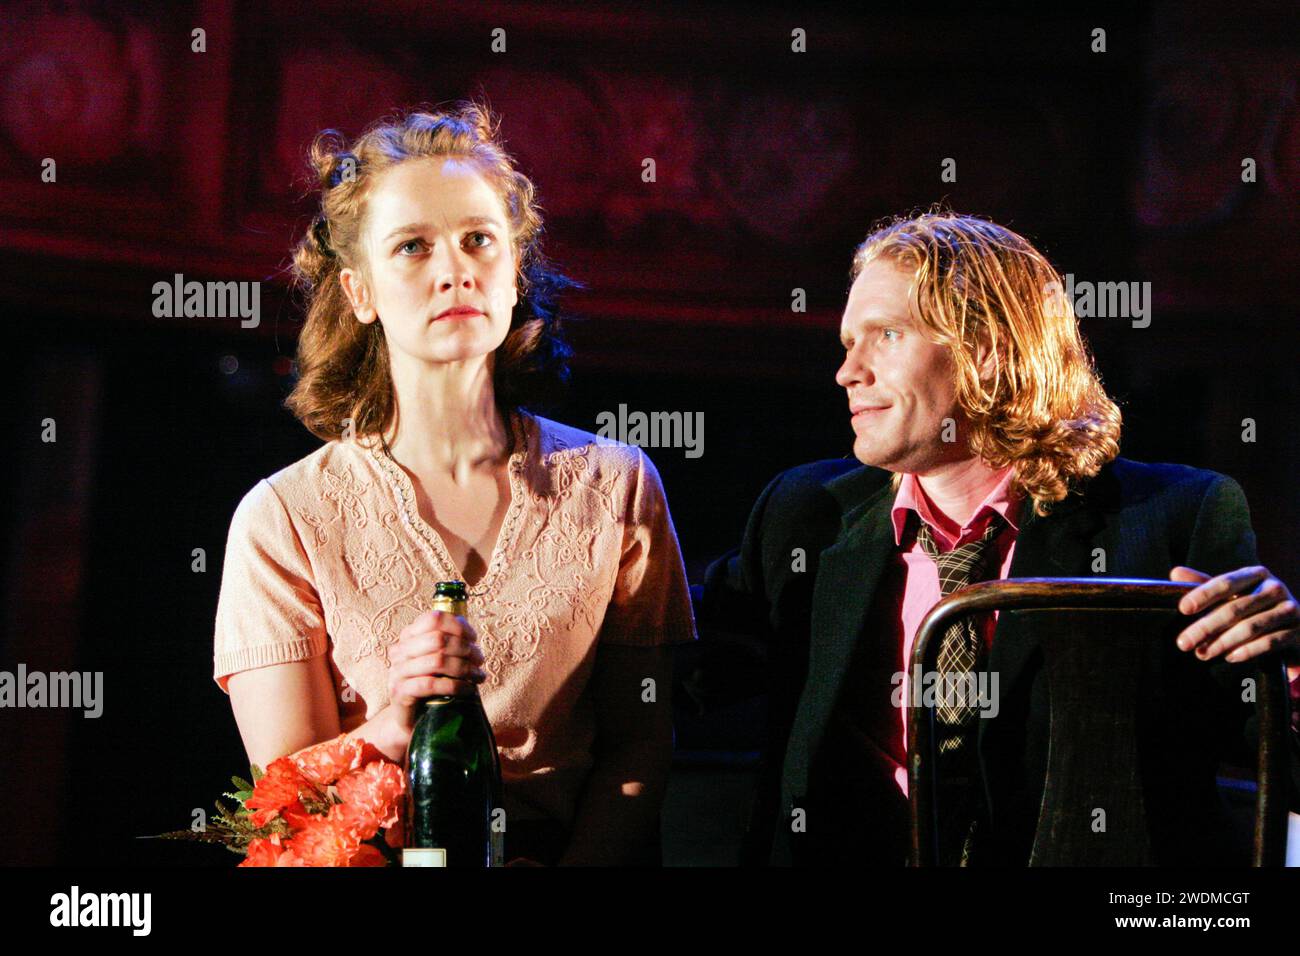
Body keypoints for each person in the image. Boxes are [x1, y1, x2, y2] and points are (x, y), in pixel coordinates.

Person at [697, 210, 1300, 866]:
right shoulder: (803, 517)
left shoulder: (1174, 518)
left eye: (885, 336)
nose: (848, 372)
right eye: (847, 344)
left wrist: (1287, 666)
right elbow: (680, 671)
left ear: (985, 348)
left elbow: (1270, 753)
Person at [212, 103, 696, 866]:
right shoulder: (285, 516)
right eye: (412, 247)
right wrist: (393, 722)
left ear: (514, 274)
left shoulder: (617, 485)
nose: (454, 269)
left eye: (479, 240)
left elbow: (640, 755)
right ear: (361, 293)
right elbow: (283, 816)